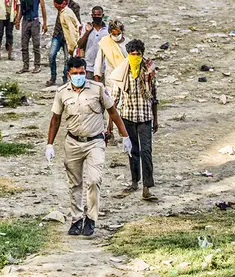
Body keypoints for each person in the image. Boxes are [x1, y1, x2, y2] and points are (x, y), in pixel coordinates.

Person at [45, 57, 133, 236]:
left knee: (94, 180)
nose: (79, 76)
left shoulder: (98, 89)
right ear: (68, 74)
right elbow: (55, 119)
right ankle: (76, 219)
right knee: (74, 183)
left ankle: (91, 219)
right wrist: (49, 144)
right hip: (73, 142)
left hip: (95, 142)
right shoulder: (62, 92)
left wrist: (125, 136)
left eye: (82, 73)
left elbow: (113, 113)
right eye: (75, 73)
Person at [109, 39, 158, 202]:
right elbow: (114, 100)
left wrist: (155, 119)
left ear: (142, 54)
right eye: (132, 54)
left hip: (145, 116)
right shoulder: (121, 71)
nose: (135, 57)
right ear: (128, 54)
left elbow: (154, 96)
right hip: (128, 116)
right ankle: (134, 180)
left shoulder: (149, 70)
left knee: (146, 151)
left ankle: (147, 185)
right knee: (132, 151)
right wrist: (110, 125)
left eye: (138, 54)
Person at [16, 0, 47, 74]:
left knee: (36, 45)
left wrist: (45, 23)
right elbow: (22, 9)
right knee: (24, 45)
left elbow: (43, 8)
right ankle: (25, 66)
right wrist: (18, 20)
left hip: (34, 21)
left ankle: (37, 65)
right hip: (25, 21)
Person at [47, 0, 80, 86]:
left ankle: (65, 79)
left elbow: (72, 30)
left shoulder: (66, 13)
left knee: (67, 60)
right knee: (51, 55)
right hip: (58, 35)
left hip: (68, 40)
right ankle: (53, 77)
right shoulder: (63, 11)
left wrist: (73, 46)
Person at [94, 19, 127, 88]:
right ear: (110, 33)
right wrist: (97, 74)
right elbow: (98, 60)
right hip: (111, 75)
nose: (116, 36)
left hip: (125, 74)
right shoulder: (105, 42)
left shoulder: (127, 42)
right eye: (114, 34)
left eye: (118, 33)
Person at [78, 6, 108, 79]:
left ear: (102, 16)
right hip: (89, 66)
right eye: (95, 15)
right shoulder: (86, 28)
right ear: (92, 16)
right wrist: (88, 32)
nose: (97, 17)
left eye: (99, 15)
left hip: (103, 67)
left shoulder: (107, 30)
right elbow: (80, 45)